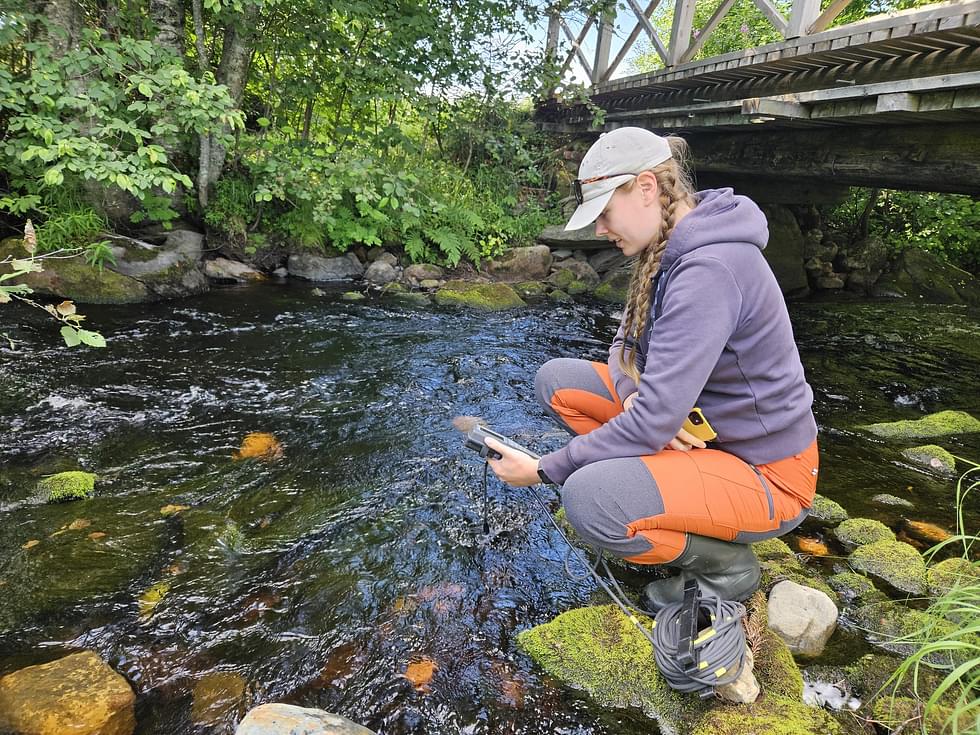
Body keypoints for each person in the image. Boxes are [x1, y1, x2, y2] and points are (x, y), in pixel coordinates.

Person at [485, 126, 818, 611]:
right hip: (708, 438)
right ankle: (655, 491)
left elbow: (648, 423)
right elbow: (623, 349)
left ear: (645, 187)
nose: (599, 230)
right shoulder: (663, 249)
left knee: (586, 499)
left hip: (768, 474)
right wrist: (647, 404)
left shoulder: (710, 268)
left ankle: (726, 568)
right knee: (558, 381)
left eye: (603, 212)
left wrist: (542, 469)